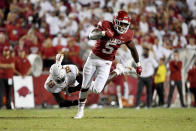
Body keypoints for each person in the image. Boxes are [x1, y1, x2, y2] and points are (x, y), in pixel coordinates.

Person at [74, 10, 142, 119]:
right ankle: (80, 111)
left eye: (126, 25)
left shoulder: (127, 34)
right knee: (85, 86)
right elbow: (91, 35)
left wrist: (138, 64)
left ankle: (118, 70)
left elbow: (133, 49)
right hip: (93, 58)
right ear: (115, 21)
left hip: (107, 62)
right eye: (122, 24)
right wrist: (103, 33)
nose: (123, 27)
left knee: (97, 90)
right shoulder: (106, 24)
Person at [44, 54, 136, 108]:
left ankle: (119, 70)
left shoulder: (71, 70)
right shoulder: (49, 85)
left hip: (76, 82)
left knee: (97, 88)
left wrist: (72, 90)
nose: (61, 82)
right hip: (69, 86)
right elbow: (61, 103)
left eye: (62, 79)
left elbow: (84, 84)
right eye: (59, 81)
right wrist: (76, 102)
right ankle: (121, 69)